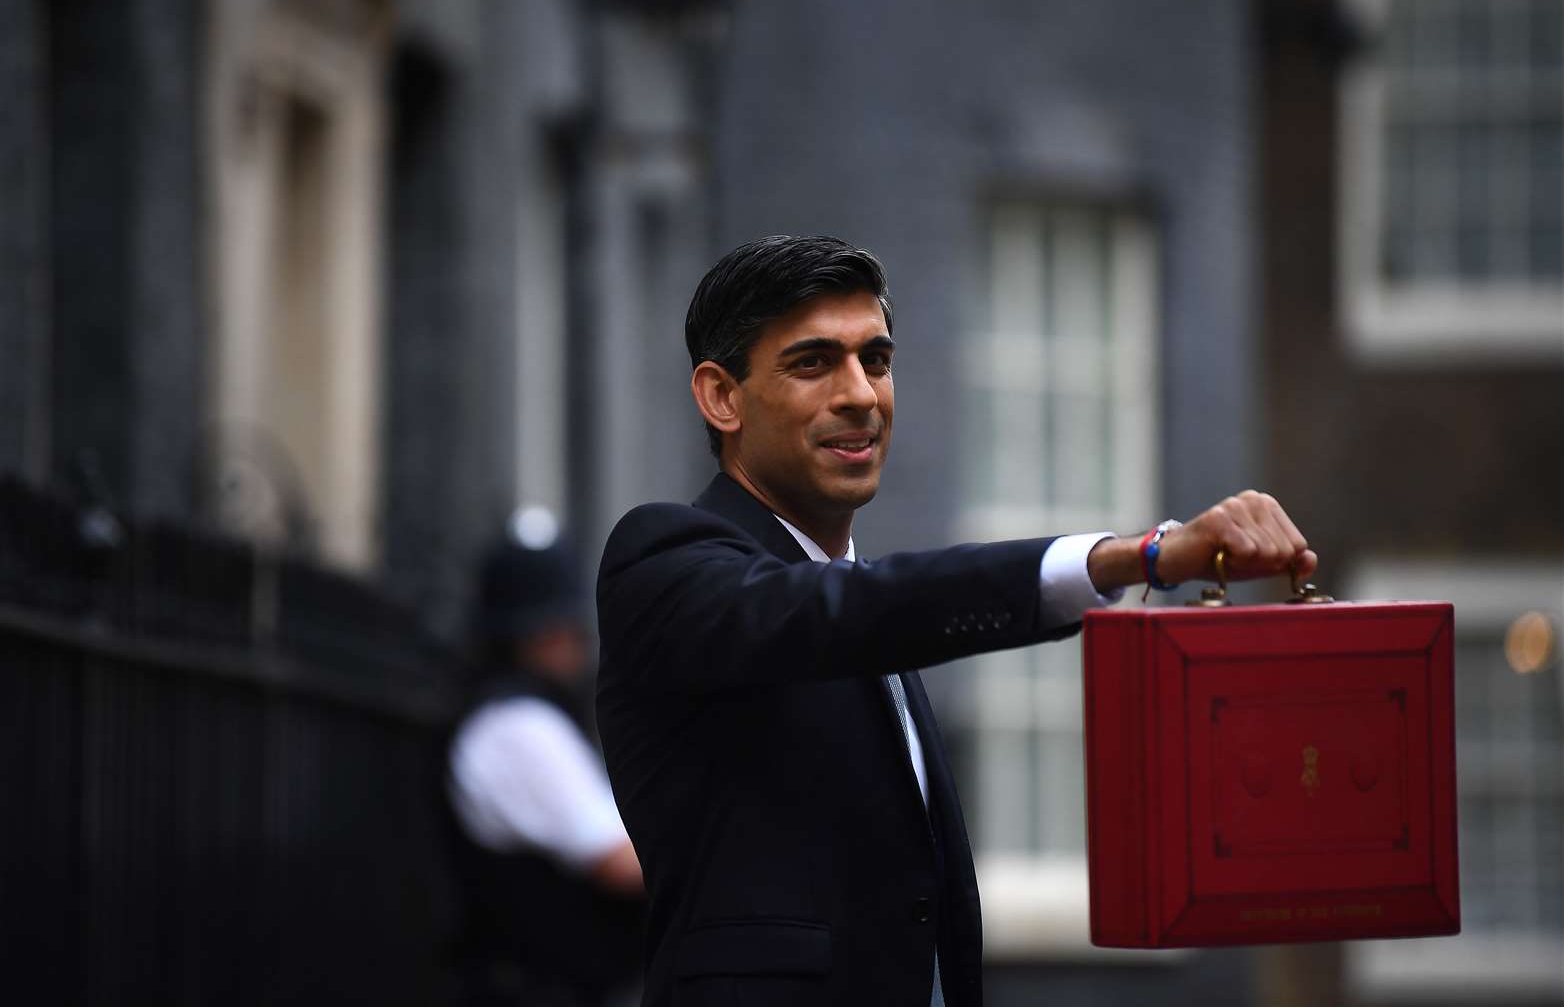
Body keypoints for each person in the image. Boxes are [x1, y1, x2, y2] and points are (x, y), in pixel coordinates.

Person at [594, 236, 1315, 1007]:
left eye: (875, 360)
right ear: (721, 397)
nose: (862, 395)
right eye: (812, 364)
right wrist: (1132, 557)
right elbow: (845, 613)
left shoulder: (855, 598)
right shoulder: (664, 557)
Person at [445, 508, 645, 1007]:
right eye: (554, 630)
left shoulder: (522, 719)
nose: (570, 646)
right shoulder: (518, 730)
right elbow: (622, 863)